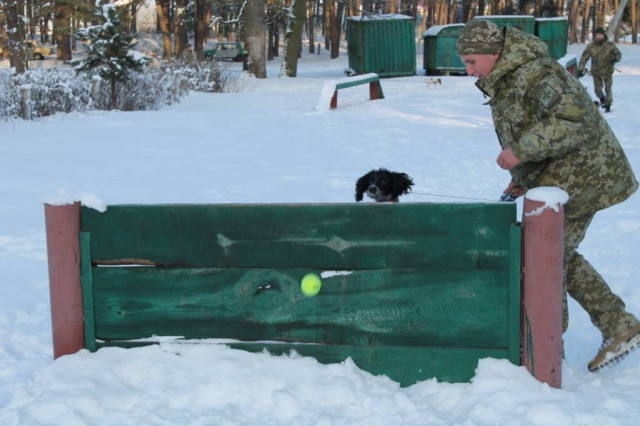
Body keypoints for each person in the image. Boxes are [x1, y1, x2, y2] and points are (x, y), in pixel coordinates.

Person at [456, 19, 640, 372]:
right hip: (563, 177)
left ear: (494, 53)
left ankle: (548, 350)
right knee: (554, 253)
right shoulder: (508, 77)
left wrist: (520, 152)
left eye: (472, 61)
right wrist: (522, 177)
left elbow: (576, 121)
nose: (469, 71)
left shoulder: (536, 73)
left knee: (546, 257)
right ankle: (616, 325)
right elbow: (535, 126)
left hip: (587, 175)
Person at [577, 26, 622, 113]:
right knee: (597, 90)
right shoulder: (591, 46)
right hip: (596, 71)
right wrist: (580, 68)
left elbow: (618, 54)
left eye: (600, 34)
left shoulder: (610, 45)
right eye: (597, 34)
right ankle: (602, 98)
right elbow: (584, 58)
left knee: (608, 89)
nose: (599, 36)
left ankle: (608, 105)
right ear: (595, 35)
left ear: (603, 35)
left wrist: (616, 59)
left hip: (607, 70)